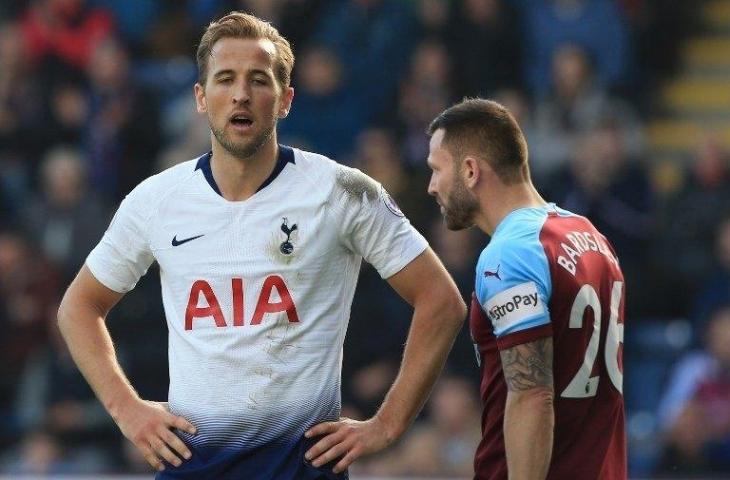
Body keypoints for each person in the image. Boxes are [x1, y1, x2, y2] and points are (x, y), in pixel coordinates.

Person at [57, 11, 466, 479]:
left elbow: (441, 300)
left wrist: (388, 425)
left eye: (259, 80)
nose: (241, 94)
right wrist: (127, 410)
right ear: (200, 98)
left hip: (303, 466)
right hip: (194, 464)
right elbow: (79, 307)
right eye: (225, 79)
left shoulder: (343, 191)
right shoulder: (156, 200)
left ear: (286, 99)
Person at [426, 98, 626, 479]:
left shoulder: (509, 255)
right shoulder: (590, 236)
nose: (431, 186)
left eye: (437, 170)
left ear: (470, 171)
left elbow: (533, 395)